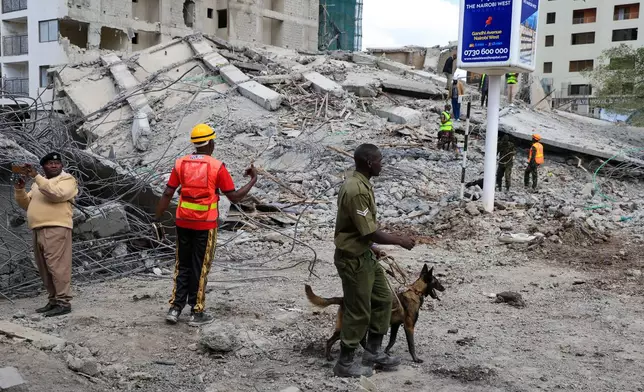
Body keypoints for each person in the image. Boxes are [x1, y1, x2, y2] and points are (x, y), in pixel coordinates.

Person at [155, 124, 258, 327]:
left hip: (183, 222)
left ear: (195, 144)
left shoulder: (180, 164)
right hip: (205, 225)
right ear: (211, 143)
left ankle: (175, 308)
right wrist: (253, 179)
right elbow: (235, 197)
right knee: (200, 267)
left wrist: (156, 218)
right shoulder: (216, 167)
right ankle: (196, 311)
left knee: (182, 265)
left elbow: (168, 193)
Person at [332, 143, 416, 378]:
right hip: (353, 260)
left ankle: (373, 352)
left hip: (365, 254)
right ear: (369, 163)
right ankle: (345, 363)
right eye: (379, 160)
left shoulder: (361, 184)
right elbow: (368, 231)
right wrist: (399, 240)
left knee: (383, 299)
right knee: (359, 310)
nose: (382, 163)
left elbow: (360, 230)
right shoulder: (356, 190)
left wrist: (374, 247)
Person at [14, 153, 78, 317]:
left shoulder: (67, 180)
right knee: (44, 268)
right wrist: (20, 189)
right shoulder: (38, 185)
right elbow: (27, 205)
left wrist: (36, 176)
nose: (55, 165)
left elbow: (57, 195)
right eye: (50, 163)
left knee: (58, 266)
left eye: (57, 163)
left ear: (61, 166)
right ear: (44, 166)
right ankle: (53, 300)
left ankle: (63, 302)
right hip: (38, 229)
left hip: (56, 228)